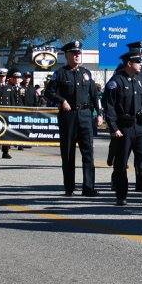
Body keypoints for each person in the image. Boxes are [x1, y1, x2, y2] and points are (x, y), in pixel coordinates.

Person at [104, 48, 142, 206]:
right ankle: (121, 195)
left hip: (141, 126)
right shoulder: (115, 82)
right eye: (137, 61)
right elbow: (109, 107)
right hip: (124, 128)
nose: (140, 64)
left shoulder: (138, 80)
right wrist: (113, 127)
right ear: (129, 63)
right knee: (121, 162)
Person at [44, 41, 102, 196]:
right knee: (68, 153)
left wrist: (99, 113)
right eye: (74, 53)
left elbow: (94, 95)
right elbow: (48, 92)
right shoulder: (60, 73)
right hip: (68, 117)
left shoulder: (86, 73)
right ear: (67, 55)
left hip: (85, 116)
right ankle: (69, 187)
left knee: (88, 152)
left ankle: (88, 187)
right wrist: (62, 100)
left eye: (78, 53)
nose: (77, 55)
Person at [0, 70, 21, 159]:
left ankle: (6, 151)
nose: (2, 78)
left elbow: (12, 101)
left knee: (7, 133)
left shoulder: (9, 87)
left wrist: (14, 112)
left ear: (6, 77)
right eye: (0, 76)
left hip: (7, 113)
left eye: (3, 76)